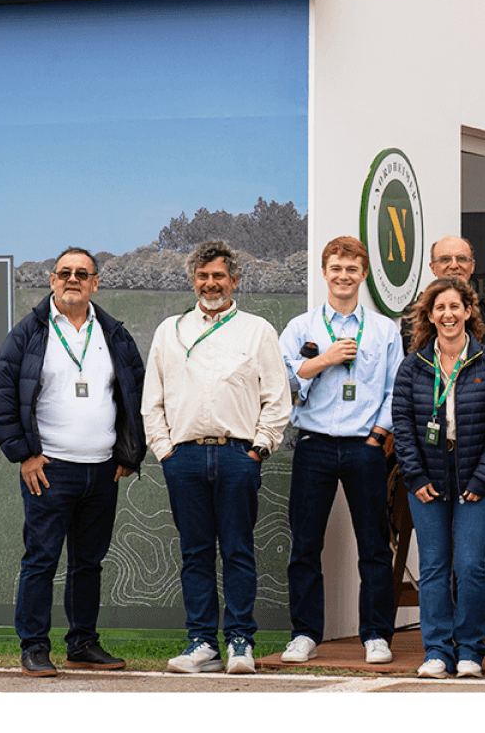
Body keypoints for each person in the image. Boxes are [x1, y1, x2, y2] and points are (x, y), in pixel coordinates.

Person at [0, 247, 146, 677]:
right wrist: (24, 456)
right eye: (64, 273)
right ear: (52, 280)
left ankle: (83, 644)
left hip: (102, 470)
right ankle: (34, 647)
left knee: (88, 564)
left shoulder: (114, 334)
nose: (72, 279)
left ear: (95, 283)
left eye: (82, 273)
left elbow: (136, 395)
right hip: (49, 469)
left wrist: (128, 454)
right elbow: (3, 397)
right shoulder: (27, 333)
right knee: (41, 560)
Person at [142, 239, 291, 675]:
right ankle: (202, 643)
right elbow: (152, 400)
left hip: (237, 456)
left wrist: (259, 448)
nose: (211, 283)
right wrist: (165, 450)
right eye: (203, 276)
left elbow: (276, 397)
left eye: (219, 276)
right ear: (193, 280)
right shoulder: (169, 331)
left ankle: (240, 641)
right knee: (195, 553)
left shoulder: (257, 330)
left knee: (238, 551)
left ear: (234, 280)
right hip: (184, 458)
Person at [277, 236, 403, 666]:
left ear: (363, 274)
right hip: (313, 443)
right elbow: (283, 382)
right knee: (305, 544)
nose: (343, 276)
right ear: (324, 272)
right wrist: (325, 359)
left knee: (374, 545)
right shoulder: (302, 327)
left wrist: (377, 436)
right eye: (336, 268)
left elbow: (395, 389)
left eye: (351, 269)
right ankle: (305, 634)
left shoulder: (384, 330)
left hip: (364, 446)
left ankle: (376, 634)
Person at [391, 276, 485, 678]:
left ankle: (471, 650)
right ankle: (437, 651)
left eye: (455, 307)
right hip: (427, 479)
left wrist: (483, 479)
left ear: (468, 311)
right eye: (439, 308)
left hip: (478, 479)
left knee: (472, 566)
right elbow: (403, 428)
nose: (448, 314)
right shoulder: (413, 366)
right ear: (429, 315)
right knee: (433, 567)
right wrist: (414, 476)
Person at [416, 236, 485, 350]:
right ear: (433, 268)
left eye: (461, 259)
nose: (454, 266)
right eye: (445, 259)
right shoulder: (415, 312)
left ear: (472, 266)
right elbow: (420, 351)